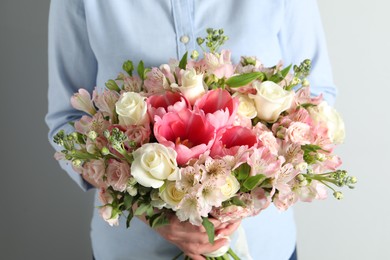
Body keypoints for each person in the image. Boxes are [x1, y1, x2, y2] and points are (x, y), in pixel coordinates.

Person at [46, 0, 336, 259]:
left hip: (264, 247)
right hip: (134, 250)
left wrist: (241, 199)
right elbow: (68, 121)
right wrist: (153, 212)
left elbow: (315, 96)